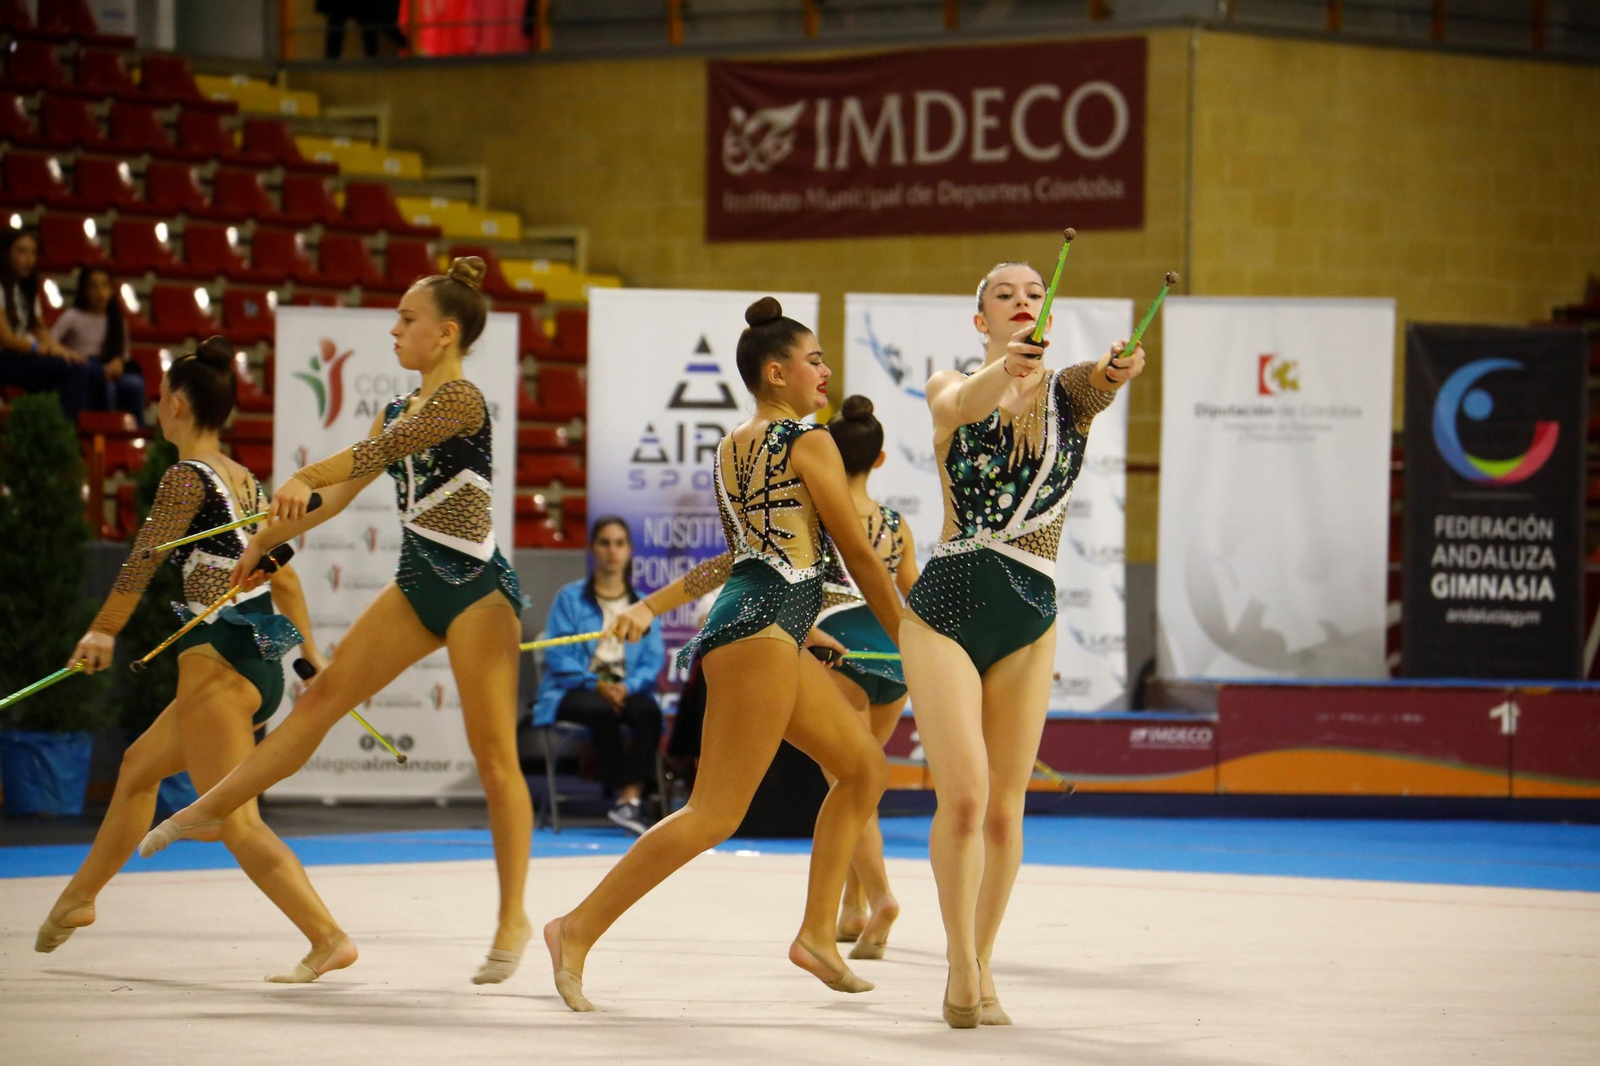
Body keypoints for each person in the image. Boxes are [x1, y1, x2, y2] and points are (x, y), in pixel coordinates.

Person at [138, 258, 535, 987]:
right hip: (417, 585)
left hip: (477, 590)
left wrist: (305, 474)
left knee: (493, 757)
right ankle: (214, 805)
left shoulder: (461, 401)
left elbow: (365, 459)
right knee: (320, 699)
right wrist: (262, 543)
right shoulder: (397, 408)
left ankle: (513, 916)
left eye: (407, 319)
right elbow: (339, 497)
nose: (394, 329)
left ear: (446, 334)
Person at [541, 297, 901, 1013]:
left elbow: (746, 560)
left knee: (864, 769)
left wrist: (658, 606)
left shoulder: (733, 446)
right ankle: (575, 928)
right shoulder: (810, 440)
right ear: (777, 372)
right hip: (761, 632)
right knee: (714, 813)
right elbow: (858, 552)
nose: (825, 371)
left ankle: (817, 936)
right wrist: (913, 635)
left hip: (765, 626)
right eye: (814, 360)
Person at [36, 336, 355, 983]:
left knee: (233, 819)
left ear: (176, 405)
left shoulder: (186, 477)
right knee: (137, 769)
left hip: (217, 664)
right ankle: (78, 899)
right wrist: (307, 656)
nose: (157, 407)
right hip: (253, 663)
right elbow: (285, 578)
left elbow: (144, 558)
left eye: (159, 398)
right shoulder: (244, 480)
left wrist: (102, 631)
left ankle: (327, 937)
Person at [900, 261, 1144, 1027]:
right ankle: (958, 962)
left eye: (1034, 294)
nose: (1021, 302)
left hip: (1031, 613)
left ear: (1048, 312)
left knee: (1006, 813)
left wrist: (1118, 367)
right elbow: (962, 403)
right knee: (965, 798)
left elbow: (1099, 382)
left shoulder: (1069, 396)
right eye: (1003, 296)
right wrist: (1004, 370)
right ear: (982, 321)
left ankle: (983, 960)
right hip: (947, 606)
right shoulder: (951, 385)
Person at [814, 395, 919, 961]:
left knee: (849, 784)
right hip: (894, 656)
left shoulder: (817, 513)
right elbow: (914, 597)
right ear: (879, 460)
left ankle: (880, 898)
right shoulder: (896, 525)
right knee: (862, 787)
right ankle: (852, 908)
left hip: (842, 649)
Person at [532, 515, 666, 836]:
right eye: (604, 543)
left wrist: (626, 687)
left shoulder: (643, 606)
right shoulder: (569, 598)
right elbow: (557, 654)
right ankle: (623, 790)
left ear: (629, 550)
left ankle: (629, 800)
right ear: (592, 548)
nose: (612, 551)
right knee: (600, 710)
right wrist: (596, 684)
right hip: (575, 688)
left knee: (648, 712)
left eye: (619, 543)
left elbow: (652, 660)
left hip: (626, 689)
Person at [0, 228, 101, 419]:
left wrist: (63, 351)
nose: (29, 259)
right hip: (5, 358)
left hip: (22, 355)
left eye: (33, 252)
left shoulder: (25, 289)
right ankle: (68, 429)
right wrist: (46, 350)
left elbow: (39, 329)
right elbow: (7, 340)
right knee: (72, 371)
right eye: (21, 251)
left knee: (92, 368)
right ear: (5, 254)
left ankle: (98, 430)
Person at [52, 264, 146, 425]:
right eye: (93, 286)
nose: (99, 292)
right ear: (84, 290)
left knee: (135, 384)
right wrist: (70, 355)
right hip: (84, 370)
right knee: (107, 388)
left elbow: (123, 356)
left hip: (109, 368)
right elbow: (51, 343)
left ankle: (137, 429)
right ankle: (105, 431)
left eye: (104, 285)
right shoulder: (72, 316)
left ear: (111, 290)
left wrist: (118, 365)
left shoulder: (117, 321)